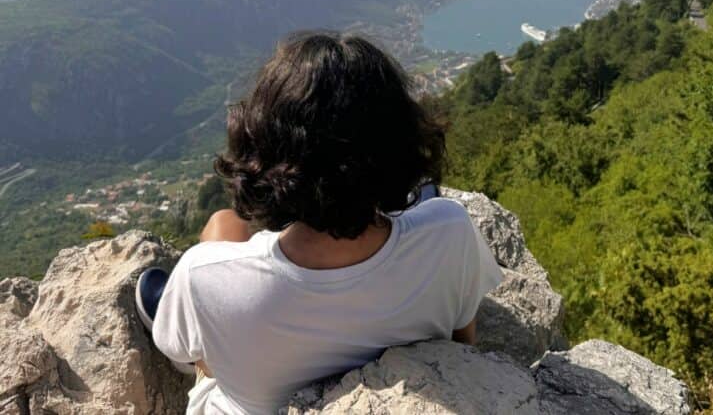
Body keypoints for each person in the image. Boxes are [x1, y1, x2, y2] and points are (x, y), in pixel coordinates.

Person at [134, 33, 503, 414]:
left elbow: (198, 359)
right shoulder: (449, 230)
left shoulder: (202, 274)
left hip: (245, 395)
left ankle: (180, 311)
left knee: (222, 225)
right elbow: (461, 343)